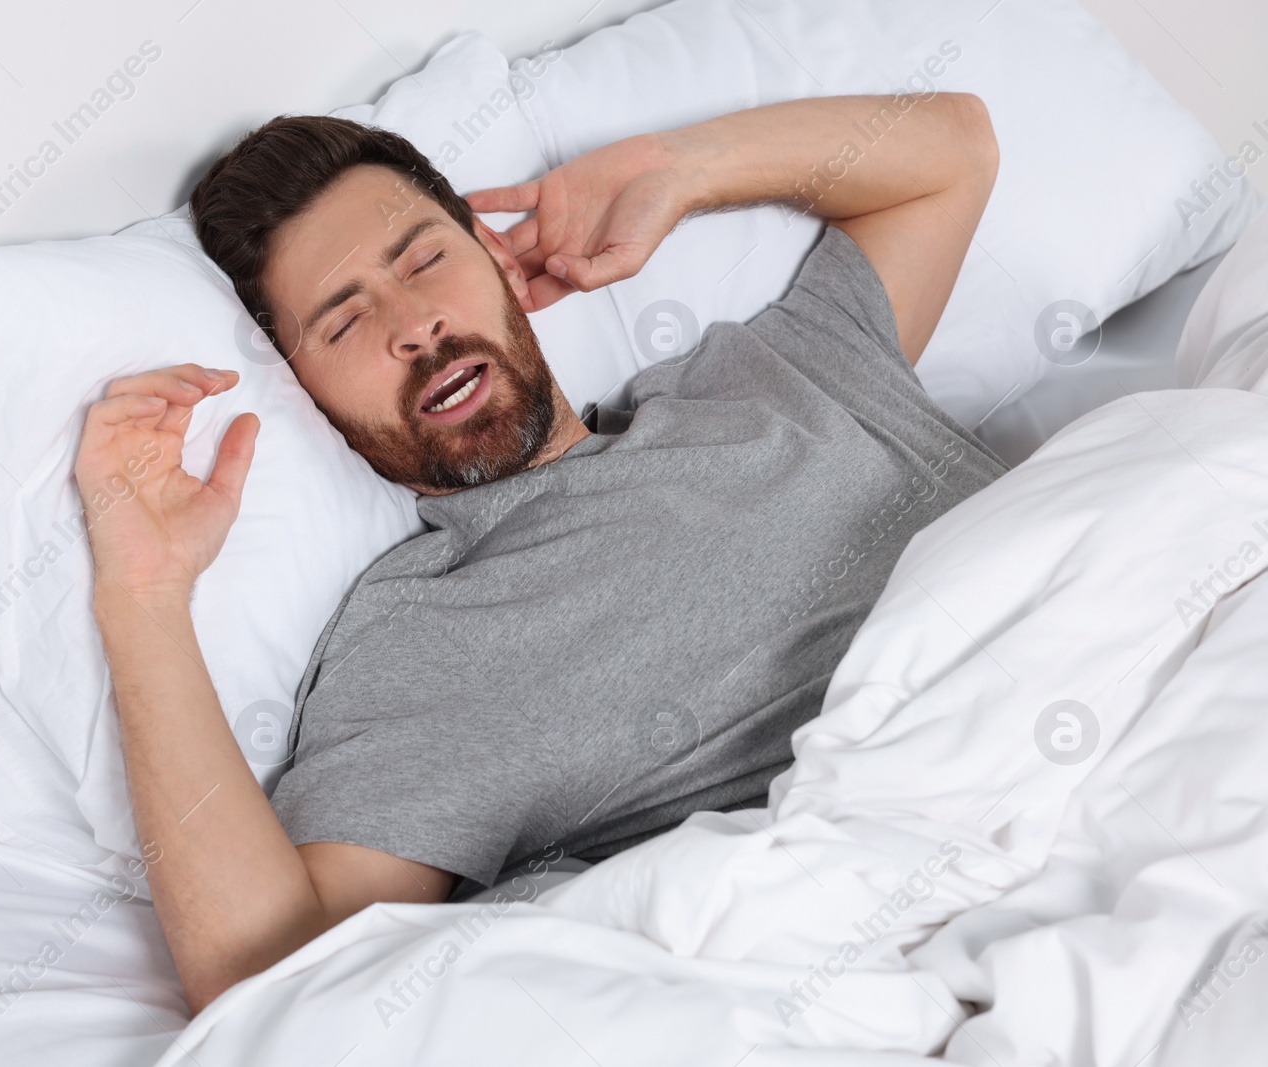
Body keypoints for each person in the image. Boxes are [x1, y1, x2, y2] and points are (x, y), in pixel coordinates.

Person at [72, 92, 1006, 1014]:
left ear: (501, 266)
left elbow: (949, 153)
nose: (415, 324)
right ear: (305, 394)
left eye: (427, 260)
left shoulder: (766, 374)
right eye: (345, 322)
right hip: (895, 903)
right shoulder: (422, 637)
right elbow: (271, 978)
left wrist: (675, 171)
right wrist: (144, 597)